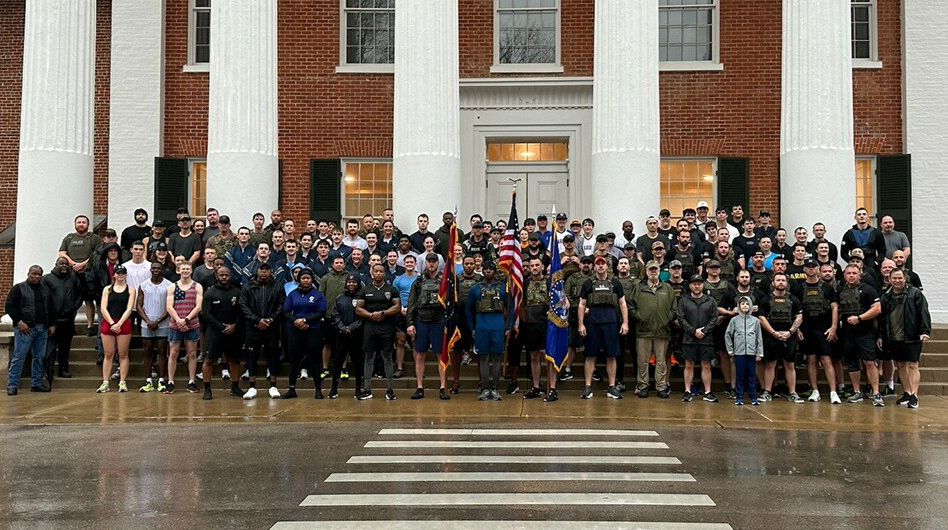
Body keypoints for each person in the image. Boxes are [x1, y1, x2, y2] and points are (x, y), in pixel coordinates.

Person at [578, 256, 629, 400]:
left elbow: (622, 303)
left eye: (603, 264)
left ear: (607, 266)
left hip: (611, 323)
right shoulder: (588, 283)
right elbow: (582, 304)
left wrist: (625, 323)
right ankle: (587, 387)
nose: (601, 266)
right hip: (592, 323)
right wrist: (581, 324)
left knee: (611, 355)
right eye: (598, 264)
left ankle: (612, 387)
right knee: (590, 355)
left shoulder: (615, 283)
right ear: (594, 267)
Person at [879, 269, 931, 409]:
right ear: (889, 279)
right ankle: (907, 392)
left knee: (913, 364)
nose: (897, 281)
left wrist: (925, 331)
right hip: (894, 336)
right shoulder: (886, 296)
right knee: (900, 364)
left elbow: (924, 312)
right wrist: (880, 336)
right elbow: (882, 319)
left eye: (900, 278)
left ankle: (914, 395)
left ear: (905, 278)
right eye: (894, 278)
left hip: (912, 335)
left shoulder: (915, 293)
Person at [793, 258, 841, 404]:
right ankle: (815, 390)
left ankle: (833, 392)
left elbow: (834, 307)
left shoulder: (827, 287)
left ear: (818, 269)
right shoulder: (799, 288)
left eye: (814, 266)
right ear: (804, 269)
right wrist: (797, 329)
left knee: (826, 359)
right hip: (806, 328)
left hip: (824, 327)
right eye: (808, 266)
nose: (811, 269)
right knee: (811, 359)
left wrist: (833, 327)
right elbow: (795, 311)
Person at [406, 254, 451, 400]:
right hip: (421, 321)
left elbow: (450, 303)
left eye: (434, 262)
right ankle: (419, 387)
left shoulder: (444, 281)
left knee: (441, 356)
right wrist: (410, 323)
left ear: (438, 263)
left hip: (439, 322)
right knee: (419, 355)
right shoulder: (418, 282)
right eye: (429, 261)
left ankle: (443, 387)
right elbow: (412, 303)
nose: (431, 264)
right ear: (425, 263)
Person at [837, 264, 883, 405]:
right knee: (852, 363)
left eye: (854, 273)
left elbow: (877, 308)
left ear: (859, 274)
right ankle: (857, 392)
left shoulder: (868, 290)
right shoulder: (839, 290)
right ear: (844, 275)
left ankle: (876, 393)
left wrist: (860, 318)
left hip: (865, 333)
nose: (851, 275)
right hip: (847, 334)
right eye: (849, 273)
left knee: (869, 362)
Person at [5, 266, 55, 395]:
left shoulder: (45, 290)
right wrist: (19, 322)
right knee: (18, 357)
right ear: (28, 274)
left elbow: (51, 307)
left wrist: (52, 324)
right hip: (25, 329)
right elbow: (9, 306)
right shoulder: (19, 288)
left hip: (42, 328)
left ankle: (36, 384)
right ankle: (12, 385)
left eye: (39, 274)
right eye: (34, 274)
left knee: (39, 357)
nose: (37, 276)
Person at [238, 263, 285, 399]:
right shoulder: (248, 286)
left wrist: (270, 319)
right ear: (257, 271)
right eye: (261, 270)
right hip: (253, 327)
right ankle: (252, 387)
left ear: (271, 271)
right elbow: (243, 305)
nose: (264, 272)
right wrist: (256, 320)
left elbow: (281, 304)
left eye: (266, 270)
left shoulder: (277, 286)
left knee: (273, 356)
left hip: (271, 327)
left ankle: (273, 386)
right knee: (252, 356)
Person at [355, 264, 401, 400]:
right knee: (369, 357)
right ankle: (367, 390)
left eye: (381, 271)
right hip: (370, 327)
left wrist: (382, 313)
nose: (379, 274)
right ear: (372, 273)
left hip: (386, 327)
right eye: (376, 271)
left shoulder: (391, 289)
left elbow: (397, 307)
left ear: (384, 273)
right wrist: (370, 315)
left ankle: (390, 390)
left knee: (387, 357)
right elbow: (358, 309)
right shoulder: (365, 290)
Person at [757, 272, 804, 403]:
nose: (781, 282)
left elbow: (799, 317)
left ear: (787, 283)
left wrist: (790, 332)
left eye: (783, 280)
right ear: (773, 283)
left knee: (789, 364)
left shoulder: (794, 299)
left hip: (789, 336)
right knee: (770, 364)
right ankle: (767, 391)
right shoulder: (766, 299)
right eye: (778, 280)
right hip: (771, 336)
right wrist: (773, 332)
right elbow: (761, 318)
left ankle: (793, 392)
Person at [281, 268, 327, 399]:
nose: (306, 280)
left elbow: (321, 311)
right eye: (303, 278)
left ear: (311, 279)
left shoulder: (318, 294)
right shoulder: (293, 294)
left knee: (314, 360)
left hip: (312, 329)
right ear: (299, 280)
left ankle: (318, 389)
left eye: (308, 278)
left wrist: (306, 320)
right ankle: (291, 389)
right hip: (295, 330)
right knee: (294, 360)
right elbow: (286, 311)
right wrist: (296, 321)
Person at [199, 267, 245, 399]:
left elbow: (241, 312)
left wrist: (234, 325)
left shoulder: (237, 292)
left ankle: (235, 387)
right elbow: (206, 314)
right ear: (216, 276)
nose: (224, 277)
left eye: (226, 275)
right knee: (209, 360)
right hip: (215, 331)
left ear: (230, 276)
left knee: (235, 360)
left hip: (233, 331)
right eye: (221, 275)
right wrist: (221, 326)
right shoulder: (210, 293)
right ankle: (207, 389)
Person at [466, 261, 509, 401]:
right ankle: (485, 388)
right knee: (483, 357)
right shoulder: (475, 289)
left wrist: (509, 327)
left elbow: (511, 307)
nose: (488, 271)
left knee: (497, 357)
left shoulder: (503, 288)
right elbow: (468, 309)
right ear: (482, 270)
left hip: (498, 326)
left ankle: (495, 388)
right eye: (486, 269)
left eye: (491, 269)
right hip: (481, 326)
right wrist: (472, 327)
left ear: (495, 271)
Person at [677, 274, 719, 402]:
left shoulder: (710, 301)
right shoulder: (684, 301)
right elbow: (681, 318)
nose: (697, 286)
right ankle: (687, 391)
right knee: (688, 364)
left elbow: (714, 318)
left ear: (703, 285)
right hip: (689, 338)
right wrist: (693, 331)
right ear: (690, 285)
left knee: (706, 364)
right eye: (694, 284)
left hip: (706, 338)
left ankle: (707, 391)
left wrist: (704, 331)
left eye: (699, 283)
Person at [164, 262, 203, 394]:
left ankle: (191, 381)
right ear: (178, 270)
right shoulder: (172, 287)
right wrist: (179, 321)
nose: (185, 271)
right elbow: (169, 306)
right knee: (173, 353)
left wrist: (186, 320)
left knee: (192, 353)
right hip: (175, 325)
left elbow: (198, 306)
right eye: (183, 269)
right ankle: (170, 382)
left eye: (187, 269)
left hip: (191, 324)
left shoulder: (197, 286)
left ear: (191, 270)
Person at [96, 265, 136, 393]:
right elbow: (103, 308)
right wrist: (112, 323)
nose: (120, 275)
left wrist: (119, 323)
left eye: (123, 273)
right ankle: (105, 382)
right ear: (114, 274)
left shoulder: (131, 289)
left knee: (123, 354)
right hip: (109, 321)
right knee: (108, 354)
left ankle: (122, 382)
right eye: (118, 273)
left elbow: (129, 308)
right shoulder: (107, 289)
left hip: (123, 321)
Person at [59, 215, 101, 336]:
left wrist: (82, 264)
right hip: (72, 274)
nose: (81, 224)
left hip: (88, 274)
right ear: (75, 224)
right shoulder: (69, 238)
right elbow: (62, 253)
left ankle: (90, 326)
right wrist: (73, 264)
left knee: (88, 300)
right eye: (79, 222)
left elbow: (97, 254)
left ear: (88, 224)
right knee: (71, 300)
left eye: (83, 222)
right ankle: (70, 325)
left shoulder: (94, 238)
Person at [42, 258, 83, 379]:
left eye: (66, 264)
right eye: (61, 264)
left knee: (65, 347)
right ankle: (48, 370)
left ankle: (63, 368)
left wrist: (73, 307)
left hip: (68, 319)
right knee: (50, 347)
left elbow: (79, 295)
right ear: (56, 265)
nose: (64, 266)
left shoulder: (73, 279)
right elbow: (44, 298)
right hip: (52, 320)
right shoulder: (47, 279)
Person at [517, 258, 551, 399]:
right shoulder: (525, 284)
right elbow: (520, 303)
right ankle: (536, 387)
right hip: (531, 325)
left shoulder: (549, 283)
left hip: (546, 325)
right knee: (533, 356)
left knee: (546, 356)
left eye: (537, 265)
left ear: (542, 266)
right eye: (532, 265)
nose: (535, 267)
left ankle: (550, 386)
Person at [136, 262, 171, 393]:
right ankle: (148, 381)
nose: (156, 270)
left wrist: (158, 320)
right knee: (147, 352)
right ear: (150, 270)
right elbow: (139, 306)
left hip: (163, 323)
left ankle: (162, 380)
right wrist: (148, 321)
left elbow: (170, 306)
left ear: (162, 270)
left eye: (158, 268)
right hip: (147, 323)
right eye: (154, 268)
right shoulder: (143, 285)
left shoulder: (169, 285)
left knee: (162, 352)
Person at [331, 274, 365, 398]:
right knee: (338, 361)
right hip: (342, 334)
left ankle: (358, 389)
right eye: (349, 282)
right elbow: (335, 314)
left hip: (356, 335)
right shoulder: (340, 298)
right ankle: (333, 389)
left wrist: (351, 328)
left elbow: (363, 316)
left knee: (357, 362)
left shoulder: (362, 298)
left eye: (354, 282)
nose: (351, 284)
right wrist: (342, 327)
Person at [725, 295, 764, 406]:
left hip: (751, 352)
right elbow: (728, 334)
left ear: (751, 305)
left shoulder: (755, 321)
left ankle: (753, 396)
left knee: (751, 375)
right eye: (742, 304)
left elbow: (759, 337)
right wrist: (730, 349)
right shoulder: (734, 320)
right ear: (738, 306)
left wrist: (759, 352)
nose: (745, 306)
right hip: (739, 352)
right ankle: (739, 396)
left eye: (747, 304)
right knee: (740, 374)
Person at [451, 256, 482, 392]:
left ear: (475, 264)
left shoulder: (480, 279)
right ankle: (456, 381)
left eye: (471, 263)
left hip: (476, 317)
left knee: (478, 351)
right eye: (466, 264)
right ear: (462, 265)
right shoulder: (456, 279)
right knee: (457, 351)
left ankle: (482, 382)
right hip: (459, 316)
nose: (469, 266)